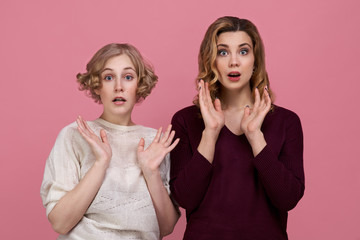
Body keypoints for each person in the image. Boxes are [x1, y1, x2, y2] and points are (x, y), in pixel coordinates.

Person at [170, 16, 304, 240]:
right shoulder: (186, 120)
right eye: (223, 52)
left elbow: (288, 199)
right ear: (211, 61)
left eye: (243, 51)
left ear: (255, 61)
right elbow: (184, 198)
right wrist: (210, 133)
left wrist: (255, 136)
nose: (234, 62)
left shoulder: (286, 122)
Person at [40, 43, 180, 240]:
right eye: (108, 77)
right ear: (97, 86)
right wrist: (100, 163)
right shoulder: (75, 135)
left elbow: (166, 227)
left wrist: (151, 172)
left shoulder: (155, 142)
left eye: (128, 77)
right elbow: (60, 223)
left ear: (139, 85)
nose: (119, 87)